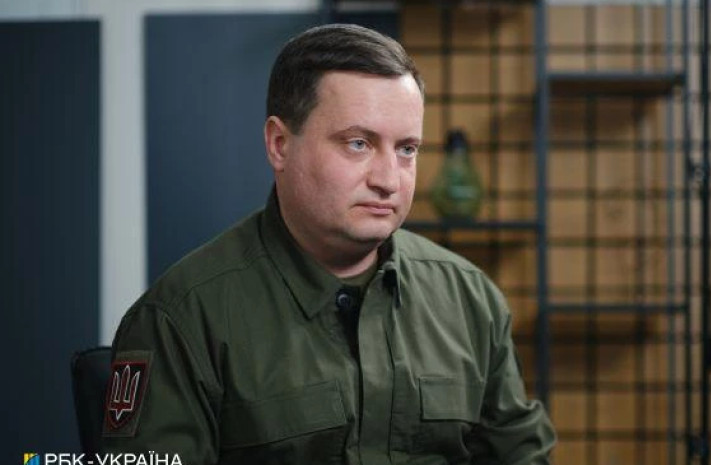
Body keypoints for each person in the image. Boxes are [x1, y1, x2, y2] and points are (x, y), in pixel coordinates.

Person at [101, 23, 556, 464]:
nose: (388, 180)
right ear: (280, 143)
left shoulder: (471, 300)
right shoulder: (181, 319)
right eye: (358, 144)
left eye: (406, 149)